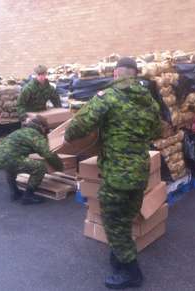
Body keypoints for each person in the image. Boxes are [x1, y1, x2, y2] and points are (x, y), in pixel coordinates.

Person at [64, 57, 161, 289]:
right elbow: (157, 130)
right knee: (126, 216)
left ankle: (131, 272)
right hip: (139, 169)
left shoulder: (108, 96)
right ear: (135, 75)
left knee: (113, 222)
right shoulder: (150, 101)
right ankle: (119, 255)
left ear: (116, 74)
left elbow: (79, 126)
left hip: (118, 173)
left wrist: (67, 138)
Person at [0, 117, 63, 204]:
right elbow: (47, 153)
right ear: (41, 127)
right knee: (39, 167)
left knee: (11, 167)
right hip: (9, 158)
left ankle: (14, 192)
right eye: (45, 129)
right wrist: (60, 166)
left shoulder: (22, 131)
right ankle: (28, 196)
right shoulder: (34, 134)